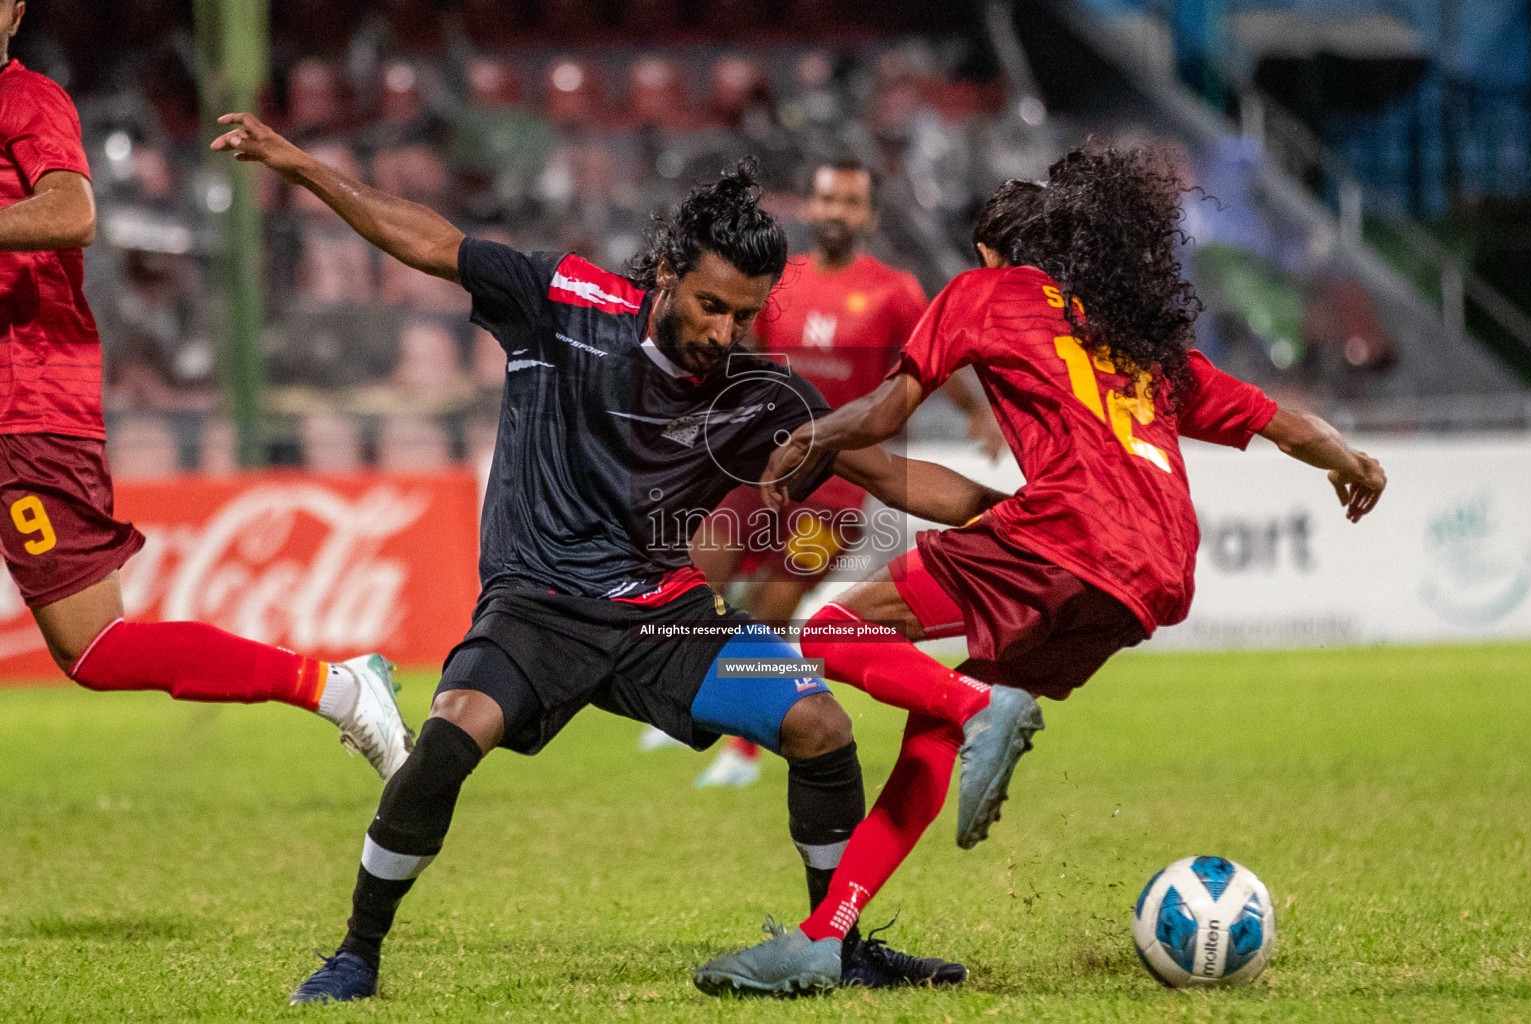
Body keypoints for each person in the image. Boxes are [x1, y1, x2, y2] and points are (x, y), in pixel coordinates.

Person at [213, 112, 1011, 1002]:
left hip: (665, 618)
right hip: (536, 605)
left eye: (745, 315)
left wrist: (1023, 518)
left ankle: (839, 946)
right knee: (447, 738)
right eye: (711, 306)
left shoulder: (757, 394)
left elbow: (895, 476)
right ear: (667, 276)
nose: (723, 332)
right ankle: (357, 953)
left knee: (819, 727)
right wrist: (300, 165)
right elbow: (429, 242)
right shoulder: (565, 303)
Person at [692, 146, 1387, 994]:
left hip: (1065, 531)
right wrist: (1354, 461)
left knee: (836, 633)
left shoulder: (985, 291)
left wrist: (822, 435)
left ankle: (980, 706)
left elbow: (888, 411)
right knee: (937, 726)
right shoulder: (1135, 340)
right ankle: (824, 935)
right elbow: (1283, 422)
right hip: (1154, 575)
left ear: (990, 251)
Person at [0, 0, 409, 780]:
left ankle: (342, 690)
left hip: (28, 408)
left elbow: (72, 210)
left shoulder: (28, 99)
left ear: (15, 11)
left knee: (94, 648)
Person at [679, 158, 1005, 789]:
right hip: (757, 465)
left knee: (774, 609)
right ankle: (685, 702)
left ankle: (742, 750)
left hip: (836, 491)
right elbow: (742, 355)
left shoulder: (895, 290)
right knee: (695, 580)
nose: (837, 211)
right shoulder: (777, 282)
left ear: (869, 215)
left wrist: (978, 414)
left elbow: (930, 362)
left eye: (851, 202)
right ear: (808, 204)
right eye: (828, 198)